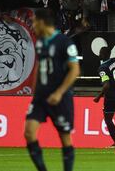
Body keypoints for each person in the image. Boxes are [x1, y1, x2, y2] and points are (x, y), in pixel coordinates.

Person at [24, 9, 80, 171]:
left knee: (65, 139)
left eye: (34, 22)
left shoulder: (65, 42)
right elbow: (38, 67)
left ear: (42, 22)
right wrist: (34, 93)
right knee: (29, 133)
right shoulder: (41, 42)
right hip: (41, 98)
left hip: (60, 98)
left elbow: (74, 70)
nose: (33, 26)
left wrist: (59, 93)